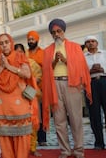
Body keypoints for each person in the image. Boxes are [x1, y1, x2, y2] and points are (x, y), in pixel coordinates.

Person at [42, 18, 92, 158]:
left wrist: (65, 60)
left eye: (59, 31)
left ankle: (79, 150)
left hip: (72, 84)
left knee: (76, 119)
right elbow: (46, 71)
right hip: (54, 85)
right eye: (53, 32)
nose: (56, 34)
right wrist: (54, 62)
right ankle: (64, 150)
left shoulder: (75, 47)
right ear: (51, 34)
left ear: (63, 31)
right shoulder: (47, 51)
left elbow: (81, 68)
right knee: (59, 120)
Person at [0, 33, 38, 158]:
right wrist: (1, 67)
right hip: (1, 106)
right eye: (1, 43)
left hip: (19, 105)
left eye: (6, 42)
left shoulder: (20, 56)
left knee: (22, 138)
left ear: (11, 43)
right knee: (4, 140)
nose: (4, 45)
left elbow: (27, 74)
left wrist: (8, 66)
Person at [15, 43, 42, 157]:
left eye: (21, 51)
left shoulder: (31, 63)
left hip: (30, 94)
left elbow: (39, 76)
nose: (19, 54)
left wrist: (30, 81)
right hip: (16, 97)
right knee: (18, 124)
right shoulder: (10, 64)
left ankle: (33, 147)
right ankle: (21, 148)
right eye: (16, 52)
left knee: (32, 122)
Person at [84, 35, 106, 150]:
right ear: (85, 45)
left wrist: (102, 69)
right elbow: (80, 73)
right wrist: (90, 71)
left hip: (104, 81)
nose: (91, 43)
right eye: (88, 42)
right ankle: (99, 143)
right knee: (94, 114)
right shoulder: (83, 57)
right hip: (90, 84)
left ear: (97, 43)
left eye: (93, 41)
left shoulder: (104, 53)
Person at [26, 30, 47, 148]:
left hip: (41, 87)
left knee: (42, 113)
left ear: (37, 40)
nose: (30, 41)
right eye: (29, 40)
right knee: (31, 113)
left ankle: (42, 138)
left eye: (32, 39)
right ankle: (31, 139)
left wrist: (39, 79)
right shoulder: (26, 54)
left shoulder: (43, 53)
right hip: (29, 88)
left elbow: (46, 69)